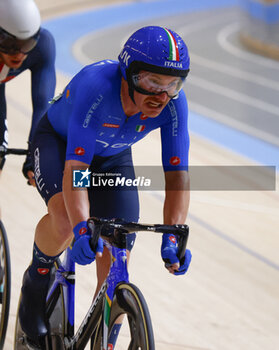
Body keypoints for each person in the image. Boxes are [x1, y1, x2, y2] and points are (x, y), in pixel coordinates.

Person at [18, 25, 192, 348]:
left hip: (112, 158)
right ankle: (36, 278)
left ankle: (104, 335)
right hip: (61, 146)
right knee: (65, 222)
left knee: (119, 249)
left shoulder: (173, 106)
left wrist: (173, 232)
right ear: (129, 73)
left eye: (173, 84)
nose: (161, 95)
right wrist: (83, 227)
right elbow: (76, 170)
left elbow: (177, 175)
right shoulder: (97, 86)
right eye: (152, 82)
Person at [0, 0, 56, 185]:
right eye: (10, 44)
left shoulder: (43, 46)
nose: (20, 53)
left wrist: (34, 155)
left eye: (28, 44)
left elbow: (43, 104)